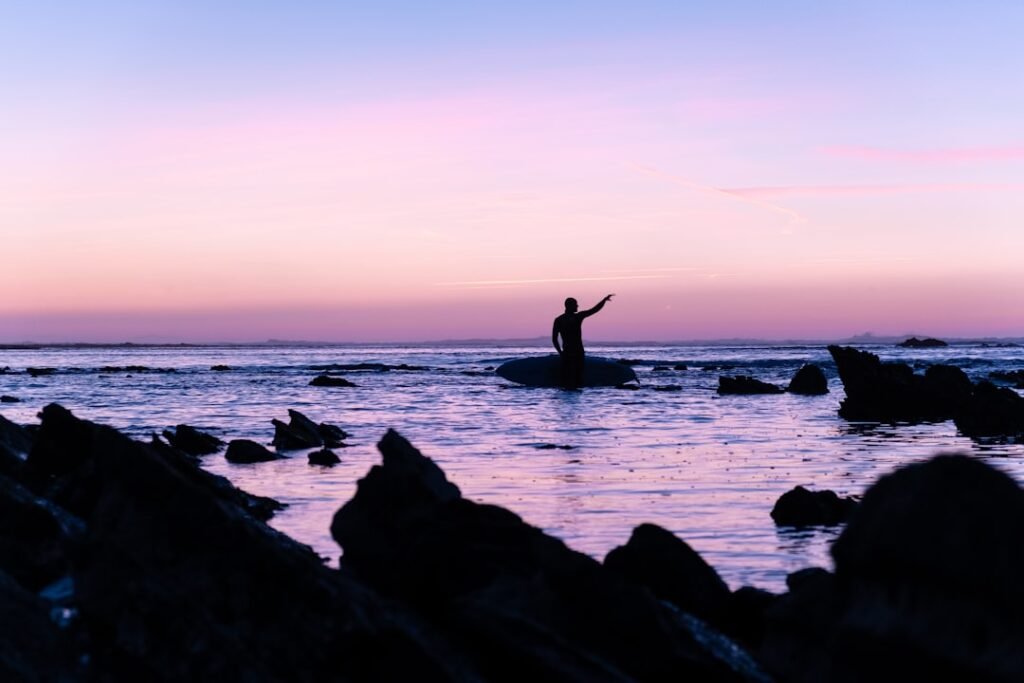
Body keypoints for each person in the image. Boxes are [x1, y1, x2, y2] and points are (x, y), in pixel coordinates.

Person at [552, 294, 614, 389]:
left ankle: (567, 389)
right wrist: (604, 301)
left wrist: (560, 352)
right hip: (577, 352)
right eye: (576, 304)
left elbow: (554, 339)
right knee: (577, 376)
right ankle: (576, 389)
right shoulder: (577, 317)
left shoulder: (559, 320)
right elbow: (594, 310)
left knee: (567, 376)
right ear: (569, 306)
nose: (577, 306)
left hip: (567, 352)